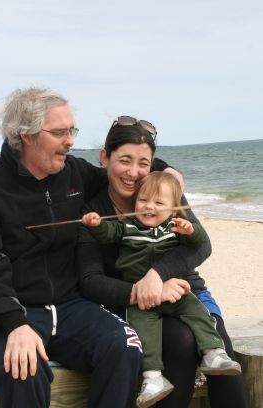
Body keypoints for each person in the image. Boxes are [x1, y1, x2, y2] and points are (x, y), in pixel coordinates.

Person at [0, 87, 146, 408]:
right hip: (4, 312)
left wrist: (166, 171)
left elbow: (121, 175)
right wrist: (15, 324)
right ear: (26, 136)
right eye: (59, 132)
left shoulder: (74, 173)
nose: (70, 141)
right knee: (23, 369)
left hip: (70, 307)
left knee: (125, 347)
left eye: (71, 130)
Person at [76, 116, 248, 408]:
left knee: (220, 350)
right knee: (180, 340)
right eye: (125, 160)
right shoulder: (94, 210)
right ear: (105, 157)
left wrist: (158, 274)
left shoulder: (164, 191)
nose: (133, 172)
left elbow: (201, 245)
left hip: (184, 289)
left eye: (143, 163)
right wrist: (145, 288)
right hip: (132, 302)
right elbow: (90, 280)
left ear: (153, 164)